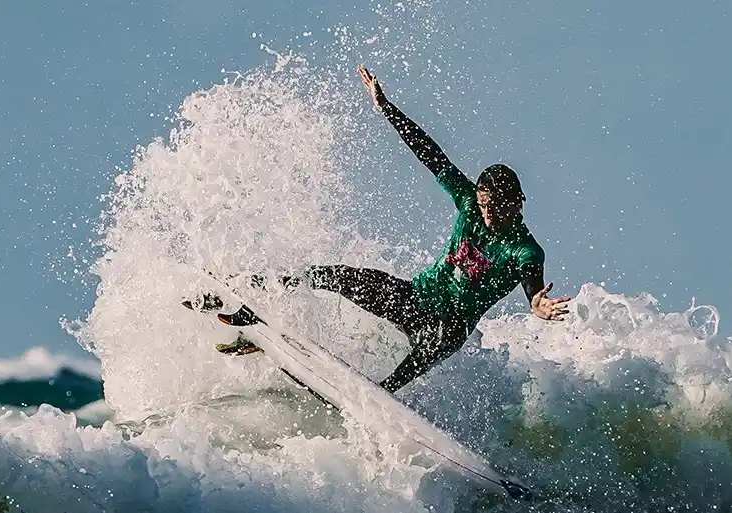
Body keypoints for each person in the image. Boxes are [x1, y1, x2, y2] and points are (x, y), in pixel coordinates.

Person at [195, 65, 571, 394]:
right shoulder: (470, 202)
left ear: (516, 203)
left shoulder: (524, 250)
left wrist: (537, 304)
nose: (487, 215)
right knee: (336, 276)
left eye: (495, 208)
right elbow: (430, 153)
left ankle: (378, 401)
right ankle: (254, 292)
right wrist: (386, 107)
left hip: (447, 328)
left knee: (395, 380)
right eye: (484, 205)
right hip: (416, 297)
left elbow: (532, 286)